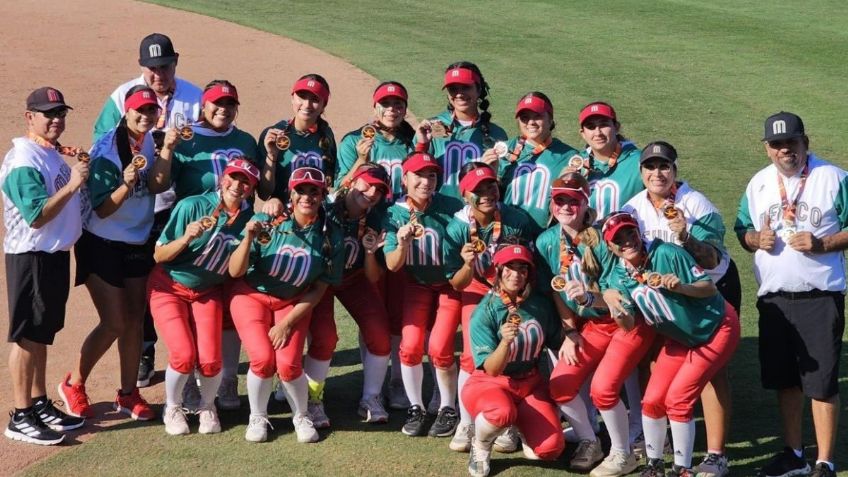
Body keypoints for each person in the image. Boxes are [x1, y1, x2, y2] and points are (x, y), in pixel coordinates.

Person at [735, 112, 846, 477]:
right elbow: (742, 229)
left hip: (819, 295)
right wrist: (755, 240)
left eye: (792, 143)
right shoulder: (758, 184)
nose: (786, 151)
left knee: (822, 383)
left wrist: (824, 242)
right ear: (767, 149)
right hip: (775, 300)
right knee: (785, 380)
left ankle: (825, 461)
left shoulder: (833, 177)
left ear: (806, 143)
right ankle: (794, 453)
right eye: (778, 145)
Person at [91, 32, 203, 390]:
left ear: (175, 63)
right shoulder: (122, 97)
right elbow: (103, 143)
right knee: (145, 287)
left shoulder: (193, 96)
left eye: (165, 66)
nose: (159, 74)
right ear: (142, 68)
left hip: (176, 205)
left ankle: (194, 353)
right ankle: (145, 349)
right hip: (137, 209)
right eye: (151, 68)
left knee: (181, 277)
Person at [623, 141, 741, 476]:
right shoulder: (633, 208)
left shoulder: (695, 204)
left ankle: (716, 454)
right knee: (662, 364)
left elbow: (713, 258)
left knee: (712, 374)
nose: (657, 173)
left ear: (675, 170)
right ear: (642, 172)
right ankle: (660, 454)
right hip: (668, 297)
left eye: (664, 166)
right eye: (650, 167)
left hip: (713, 289)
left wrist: (686, 236)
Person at [600, 211, 740, 477]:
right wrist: (619, 313)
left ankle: (682, 468)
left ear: (640, 232)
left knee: (678, 399)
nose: (627, 240)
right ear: (610, 245)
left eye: (630, 232)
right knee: (652, 399)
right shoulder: (619, 275)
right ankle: (655, 465)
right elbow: (629, 324)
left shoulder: (666, 253)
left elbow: (709, 287)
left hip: (715, 328)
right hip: (680, 337)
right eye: (618, 238)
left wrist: (681, 288)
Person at [150, 79, 257, 410]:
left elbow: (260, 186)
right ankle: (190, 385)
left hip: (233, 234)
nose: (222, 109)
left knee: (225, 314)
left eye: (229, 104)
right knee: (192, 319)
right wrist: (167, 148)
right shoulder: (187, 138)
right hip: (195, 231)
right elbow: (162, 183)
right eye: (216, 103)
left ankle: (224, 381)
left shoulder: (245, 141)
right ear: (203, 106)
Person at [59, 86, 160, 422]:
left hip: (136, 241)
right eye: (138, 112)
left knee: (134, 321)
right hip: (100, 241)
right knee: (114, 321)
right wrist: (126, 184)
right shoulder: (106, 152)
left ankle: (128, 393)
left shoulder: (150, 141)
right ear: (125, 113)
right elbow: (101, 210)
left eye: (151, 111)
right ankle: (74, 383)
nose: (145, 117)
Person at [542, 174, 653, 476]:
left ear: (585, 203)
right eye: (560, 200)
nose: (566, 206)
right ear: (551, 204)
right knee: (560, 385)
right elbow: (556, 288)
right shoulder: (546, 241)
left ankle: (623, 454)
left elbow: (618, 297)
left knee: (603, 389)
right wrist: (569, 330)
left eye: (573, 200)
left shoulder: (604, 236)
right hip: (591, 327)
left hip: (625, 322)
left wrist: (590, 300)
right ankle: (591, 442)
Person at [228, 166, 343, 444]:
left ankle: (301, 414)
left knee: (289, 365)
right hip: (251, 296)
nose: (307, 197)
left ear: (322, 195)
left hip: (292, 303)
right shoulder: (267, 221)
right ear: (290, 195)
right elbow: (235, 272)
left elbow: (317, 291)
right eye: (300, 191)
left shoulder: (330, 235)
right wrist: (247, 238)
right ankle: (258, 416)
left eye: (313, 191)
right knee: (263, 359)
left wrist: (286, 323)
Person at [3, 87, 88, 445]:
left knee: (41, 332)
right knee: (26, 335)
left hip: (52, 255)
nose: (56, 119)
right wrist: (73, 185)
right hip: (31, 256)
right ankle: (20, 415)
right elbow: (36, 215)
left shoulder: (47, 153)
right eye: (48, 113)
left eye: (60, 113)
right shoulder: (23, 159)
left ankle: (38, 402)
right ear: (30, 117)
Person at [149, 159, 259, 435]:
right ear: (223, 179)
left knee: (210, 360)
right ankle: (172, 407)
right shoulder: (192, 206)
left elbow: (236, 269)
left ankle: (207, 406)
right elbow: (159, 255)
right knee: (184, 355)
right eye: (234, 178)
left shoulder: (249, 219)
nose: (238, 185)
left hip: (207, 291)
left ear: (252, 188)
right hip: (169, 287)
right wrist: (186, 238)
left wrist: (251, 235)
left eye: (246, 182)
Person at [442, 161, 534, 452]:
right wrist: (468, 264)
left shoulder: (516, 219)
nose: (486, 194)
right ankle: (467, 422)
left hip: (516, 290)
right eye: (478, 190)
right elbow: (457, 283)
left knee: (520, 349)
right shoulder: (457, 227)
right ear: (465, 194)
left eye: (491, 186)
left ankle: (510, 424)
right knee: (471, 357)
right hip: (477, 289)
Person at [334, 82, 414, 410]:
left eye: (398, 104)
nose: (392, 109)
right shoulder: (355, 141)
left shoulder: (411, 143)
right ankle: (375, 385)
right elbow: (340, 190)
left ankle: (392, 381)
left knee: (394, 311)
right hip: (362, 233)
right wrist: (361, 159)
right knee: (374, 308)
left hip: (396, 232)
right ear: (375, 107)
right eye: (386, 103)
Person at [463, 244, 566, 477]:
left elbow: (556, 341)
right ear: (498, 270)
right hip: (491, 383)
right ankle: (481, 444)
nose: (516, 274)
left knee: (550, 450)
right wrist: (505, 343)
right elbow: (491, 368)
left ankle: (521, 428)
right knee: (501, 414)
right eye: (510, 268)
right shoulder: (485, 310)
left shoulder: (539, 304)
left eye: (522, 269)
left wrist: (572, 335)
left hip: (530, 383)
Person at [303, 164, 393, 427]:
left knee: (379, 333)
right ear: (353, 181)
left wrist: (368, 253)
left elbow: (374, 276)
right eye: (367, 184)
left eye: (379, 189)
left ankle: (371, 397)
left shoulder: (377, 217)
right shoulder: (325, 207)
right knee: (325, 337)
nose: (372, 192)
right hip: (320, 280)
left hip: (355, 278)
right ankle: (313, 399)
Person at [382, 152, 463, 437]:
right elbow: (392, 264)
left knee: (440, 348)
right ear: (404, 178)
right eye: (419, 175)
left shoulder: (451, 205)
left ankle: (447, 407)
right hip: (416, 284)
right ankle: (415, 406)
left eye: (431, 175)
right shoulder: (393, 213)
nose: (426, 181)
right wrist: (402, 244)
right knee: (410, 346)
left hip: (449, 285)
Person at [415, 62, 507, 208]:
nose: (459, 94)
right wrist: (422, 144)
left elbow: (502, 184)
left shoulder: (497, 134)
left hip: (478, 214)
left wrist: (490, 172)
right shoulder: (431, 127)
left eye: (466, 87)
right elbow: (412, 174)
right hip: (438, 213)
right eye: (453, 89)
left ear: (479, 90)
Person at [499, 92, 579, 232]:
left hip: (543, 238)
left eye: (537, 116)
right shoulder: (504, 150)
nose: (531, 122)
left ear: (550, 119)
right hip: (507, 235)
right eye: (525, 117)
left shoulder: (569, 157)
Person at [256, 74, 336, 202]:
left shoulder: (326, 134)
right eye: (302, 97)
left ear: (324, 105)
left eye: (315, 99)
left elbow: (330, 184)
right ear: (292, 98)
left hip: (316, 214)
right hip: (282, 215)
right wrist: (272, 156)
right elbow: (263, 194)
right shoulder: (273, 135)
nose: (307, 104)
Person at [569, 102, 643, 220]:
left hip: (625, 237)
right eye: (591, 127)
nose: (598, 133)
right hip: (587, 238)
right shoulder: (576, 163)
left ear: (616, 127)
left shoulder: (638, 161)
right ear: (582, 133)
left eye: (603, 125)